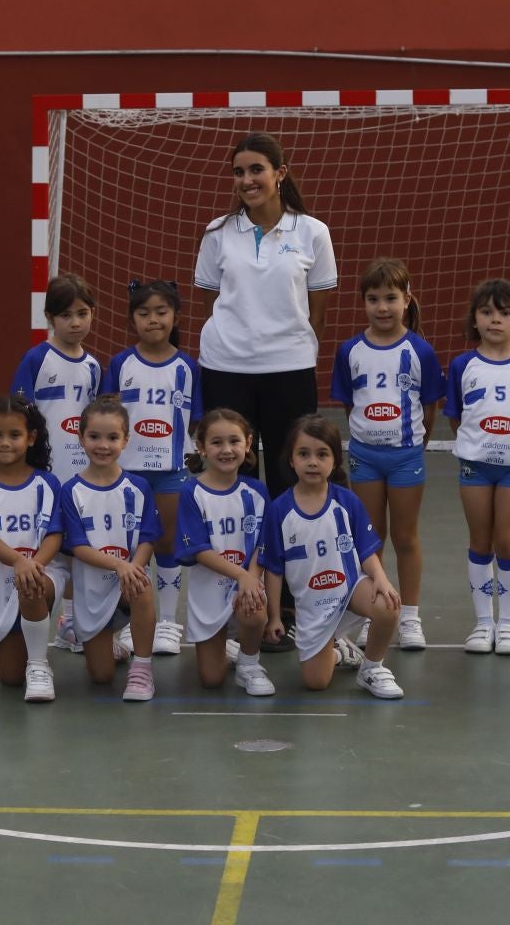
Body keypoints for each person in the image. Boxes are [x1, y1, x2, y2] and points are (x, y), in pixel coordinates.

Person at [0, 274, 99, 651]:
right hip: (41, 474)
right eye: (66, 315)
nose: (75, 323)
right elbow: (17, 418)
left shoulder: (94, 366)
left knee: (74, 545)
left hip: (78, 474)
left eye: (82, 313)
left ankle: (71, 624)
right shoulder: (37, 358)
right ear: (49, 317)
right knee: (20, 545)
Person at [193, 132, 338, 498]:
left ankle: (283, 553)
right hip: (225, 369)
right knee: (231, 476)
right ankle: (233, 556)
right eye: (238, 172)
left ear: (280, 173)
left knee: (288, 476)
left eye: (256, 169)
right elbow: (211, 301)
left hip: (289, 370)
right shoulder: (217, 233)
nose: (247, 180)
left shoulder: (313, 232)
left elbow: (316, 314)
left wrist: (285, 346)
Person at [331, 257, 444, 650]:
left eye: (391, 298)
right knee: (370, 537)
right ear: (363, 303)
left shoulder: (420, 351)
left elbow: (430, 406)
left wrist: (415, 445)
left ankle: (409, 616)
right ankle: (373, 611)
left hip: (405, 456)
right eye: (374, 299)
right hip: (365, 455)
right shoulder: (349, 351)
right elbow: (349, 405)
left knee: (405, 536)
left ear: (407, 300)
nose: (383, 307)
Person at [443, 278, 510, 657]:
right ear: (474, 318)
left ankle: (507, 624)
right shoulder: (462, 365)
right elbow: (457, 418)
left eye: (504, 313)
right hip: (475, 467)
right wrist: (479, 446)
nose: (495, 320)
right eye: (486, 312)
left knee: (507, 541)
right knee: (480, 541)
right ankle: (482, 623)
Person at [259, 415, 404, 699]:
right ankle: (339, 650)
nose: (313, 461)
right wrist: (274, 616)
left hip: (349, 589)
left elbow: (366, 551)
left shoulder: (346, 501)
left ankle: (372, 669)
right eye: (304, 454)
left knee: (387, 604)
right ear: (291, 460)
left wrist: (381, 579)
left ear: (334, 461)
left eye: (322, 454)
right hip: (312, 605)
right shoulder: (279, 511)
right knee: (316, 683)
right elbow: (273, 570)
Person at [101, 278, 201, 656]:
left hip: (172, 470)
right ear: (132, 320)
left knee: (166, 544)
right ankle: (128, 621)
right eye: (143, 313)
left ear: (175, 317)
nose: (153, 320)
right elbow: (108, 415)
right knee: (128, 546)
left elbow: (196, 421)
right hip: (127, 473)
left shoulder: (188, 367)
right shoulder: (120, 363)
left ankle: (169, 623)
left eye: (161, 312)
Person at [0, 394, 67, 703]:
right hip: (2, 579)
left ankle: (38, 665)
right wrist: (18, 562)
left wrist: (33, 565)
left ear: (31, 438)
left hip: (44, 573)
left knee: (31, 585)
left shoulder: (47, 483)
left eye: (14, 435)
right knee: (9, 678)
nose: (4, 442)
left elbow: (55, 535)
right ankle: (18, 653)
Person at [55, 396, 160, 701]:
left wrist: (134, 567)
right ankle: (108, 641)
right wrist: (119, 565)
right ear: (81, 438)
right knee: (101, 677)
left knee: (141, 586)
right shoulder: (71, 490)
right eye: (94, 436)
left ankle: (142, 668)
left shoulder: (138, 487)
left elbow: (148, 538)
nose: (103, 445)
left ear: (126, 440)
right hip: (93, 589)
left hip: (127, 583)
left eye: (112, 437)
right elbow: (77, 546)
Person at [174, 408, 276, 696]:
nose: (227, 450)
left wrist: (252, 578)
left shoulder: (257, 491)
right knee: (211, 680)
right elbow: (198, 549)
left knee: (254, 606)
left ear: (248, 443)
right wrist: (242, 575)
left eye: (234, 441)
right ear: (201, 447)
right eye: (217, 442)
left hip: (245, 583)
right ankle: (225, 643)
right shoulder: (191, 492)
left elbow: (264, 544)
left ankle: (249, 664)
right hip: (211, 590)